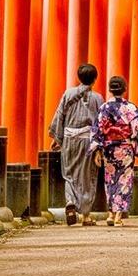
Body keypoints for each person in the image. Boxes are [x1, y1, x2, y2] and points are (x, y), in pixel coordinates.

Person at [49, 63, 104, 226]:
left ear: (79, 78)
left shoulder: (68, 93)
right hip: (88, 141)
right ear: (95, 79)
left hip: (69, 139)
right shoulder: (98, 98)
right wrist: (99, 148)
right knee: (87, 176)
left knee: (69, 174)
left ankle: (70, 202)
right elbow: (100, 124)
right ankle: (86, 215)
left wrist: (57, 138)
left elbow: (60, 115)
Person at [89, 76, 138, 227]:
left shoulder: (105, 108)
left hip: (109, 149)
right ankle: (118, 216)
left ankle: (110, 213)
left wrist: (97, 150)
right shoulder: (131, 108)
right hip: (126, 148)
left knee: (110, 179)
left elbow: (98, 129)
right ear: (124, 89)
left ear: (110, 90)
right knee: (125, 179)